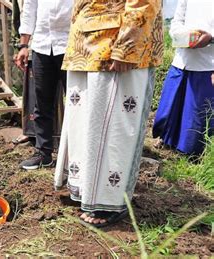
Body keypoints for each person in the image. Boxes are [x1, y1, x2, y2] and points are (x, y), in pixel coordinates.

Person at [54, 0, 163, 227]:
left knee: (113, 127)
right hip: (84, 46)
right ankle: (88, 192)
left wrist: (126, 46)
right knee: (85, 126)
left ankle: (109, 201)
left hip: (115, 43)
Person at [14, 0, 72, 170]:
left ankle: (78, 154)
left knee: (77, 102)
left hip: (71, 45)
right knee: (42, 101)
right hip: (42, 44)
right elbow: (29, 9)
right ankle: (43, 153)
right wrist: (24, 45)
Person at [153, 0, 214, 156]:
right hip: (182, 60)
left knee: (196, 119)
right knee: (167, 109)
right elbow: (176, 22)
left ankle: (190, 154)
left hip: (208, 65)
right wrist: (182, 36)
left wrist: (211, 38)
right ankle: (166, 140)